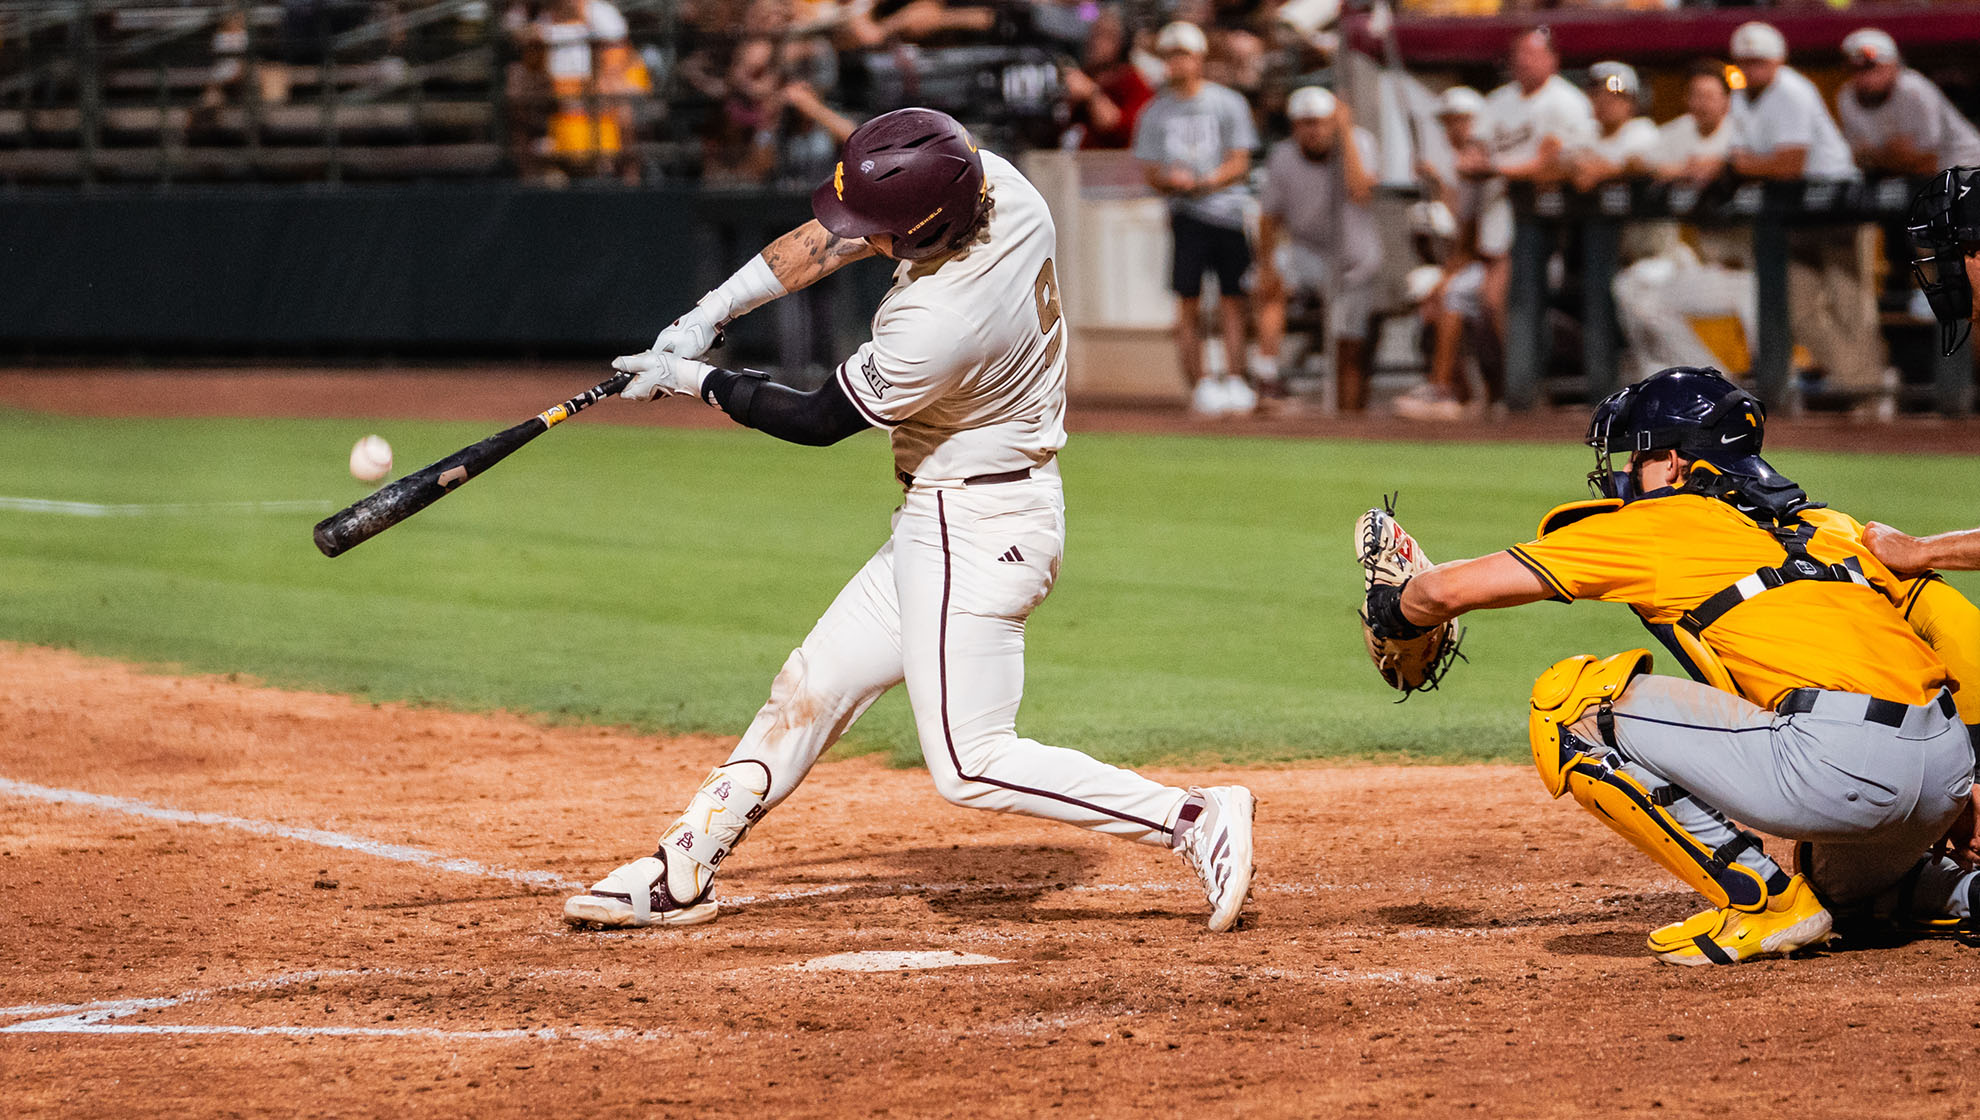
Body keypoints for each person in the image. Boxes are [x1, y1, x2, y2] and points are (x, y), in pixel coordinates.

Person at [563, 108, 1257, 934]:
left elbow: (818, 419)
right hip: (945, 517)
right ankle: (685, 862)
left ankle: (1193, 817)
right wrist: (714, 310)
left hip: (978, 523)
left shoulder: (939, 324)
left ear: (930, 227)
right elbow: (838, 237)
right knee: (812, 684)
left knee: (971, 762)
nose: (865, 236)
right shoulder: (1000, 188)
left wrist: (694, 379)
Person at [1363, 366, 1978, 963]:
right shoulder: (1829, 528)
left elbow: (1445, 593)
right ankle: (1966, 892)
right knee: (1841, 886)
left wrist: (1394, 608)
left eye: (1637, 456)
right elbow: (1957, 627)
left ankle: (1763, 903)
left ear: (1676, 463)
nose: (1628, 472)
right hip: (1947, 774)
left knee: (1572, 706)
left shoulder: (1658, 523)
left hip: (1841, 771)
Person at [1725, 21, 1891, 414]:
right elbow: (1740, 159)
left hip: (1836, 205)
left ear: (1778, 60)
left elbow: (1788, 164)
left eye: (1759, 62)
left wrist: (1749, 165)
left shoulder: (1793, 91)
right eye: (1745, 62)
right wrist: (1749, 165)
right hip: (1795, 215)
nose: (1752, 70)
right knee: (1797, 311)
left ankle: (1870, 394)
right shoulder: (1740, 96)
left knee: (1849, 304)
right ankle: (1868, 384)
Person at [1131, 20, 1261, 417]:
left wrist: (1205, 181)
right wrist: (1172, 181)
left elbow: (1240, 160)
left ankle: (1236, 378)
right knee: (1187, 301)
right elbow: (1150, 168)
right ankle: (1201, 383)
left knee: (1232, 299)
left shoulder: (1226, 103)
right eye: (1170, 55)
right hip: (1185, 215)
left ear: (1199, 58)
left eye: (1183, 54)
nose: (1177, 62)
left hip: (1226, 212)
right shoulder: (1155, 112)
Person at [1612, 60, 1757, 381]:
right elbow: (1634, 161)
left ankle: (1782, 387)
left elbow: (1764, 162)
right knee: (1641, 298)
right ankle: (1716, 379)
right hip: (1703, 269)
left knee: (1762, 308)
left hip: (1750, 270)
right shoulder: (1679, 132)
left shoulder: (1743, 132)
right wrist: (1672, 169)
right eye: (1695, 95)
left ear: (1727, 99)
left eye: (1709, 95)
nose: (1701, 103)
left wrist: (1722, 166)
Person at [1464, 28, 1594, 355]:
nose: (1523, 61)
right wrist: (1502, 165)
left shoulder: (1566, 101)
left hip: (1550, 223)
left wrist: (1498, 166)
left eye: (1532, 53)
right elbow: (1471, 155)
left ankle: (1533, 380)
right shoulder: (1497, 101)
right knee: (1493, 304)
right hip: (1497, 215)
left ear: (1553, 59)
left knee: (1503, 300)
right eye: (1518, 54)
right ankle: (1522, 383)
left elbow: (1552, 167)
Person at [1252, 86, 1381, 412]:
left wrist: (1346, 131)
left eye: (1321, 122)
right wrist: (1265, 264)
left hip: (1355, 260)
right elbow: (1269, 217)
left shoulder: (1358, 143)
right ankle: (1267, 374)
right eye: (1306, 123)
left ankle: (1349, 425)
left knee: (1349, 348)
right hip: (1308, 253)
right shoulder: (1282, 157)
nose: (1314, 131)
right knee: (1273, 273)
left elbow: (1360, 191)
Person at [1397, 86, 1492, 421]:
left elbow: (1474, 234)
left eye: (1463, 120)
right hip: (1469, 261)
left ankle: (1442, 389)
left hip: (1492, 261)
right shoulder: (1456, 165)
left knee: (1448, 294)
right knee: (1426, 294)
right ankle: (1451, 388)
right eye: (1450, 121)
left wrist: (1449, 274)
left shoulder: (1484, 161)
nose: (1456, 128)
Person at [1836, 28, 1980, 178]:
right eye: (1857, 69)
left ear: (1894, 65)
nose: (1866, 77)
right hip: (1912, 181)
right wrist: (1893, 156)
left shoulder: (1913, 88)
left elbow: (1928, 161)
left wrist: (1880, 157)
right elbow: (1858, 158)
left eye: (1873, 68)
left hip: (1967, 171)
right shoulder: (1846, 97)